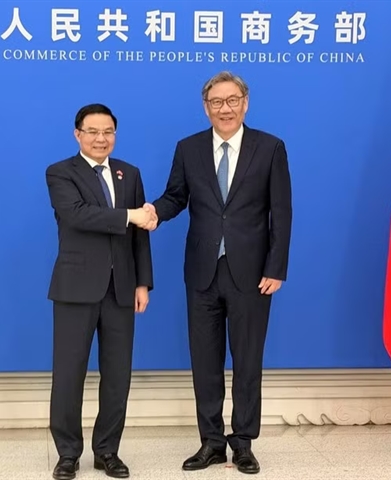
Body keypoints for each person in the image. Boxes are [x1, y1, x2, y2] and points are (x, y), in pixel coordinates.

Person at [144, 71, 292, 475]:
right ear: (205, 107)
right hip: (202, 272)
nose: (225, 109)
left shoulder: (270, 147)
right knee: (205, 362)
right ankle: (211, 442)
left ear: (245, 103)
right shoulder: (189, 148)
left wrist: (276, 266)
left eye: (232, 100)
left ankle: (243, 442)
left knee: (247, 361)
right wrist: (154, 212)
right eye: (216, 102)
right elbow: (176, 196)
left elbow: (281, 211)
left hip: (253, 273)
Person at [45, 103, 154, 480]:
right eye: (92, 131)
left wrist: (142, 281)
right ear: (77, 134)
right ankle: (67, 453)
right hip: (75, 288)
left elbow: (140, 236)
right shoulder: (61, 172)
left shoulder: (129, 173)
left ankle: (107, 450)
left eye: (108, 131)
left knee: (118, 375)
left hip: (121, 288)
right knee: (68, 374)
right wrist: (129, 215)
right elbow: (77, 214)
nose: (100, 138)